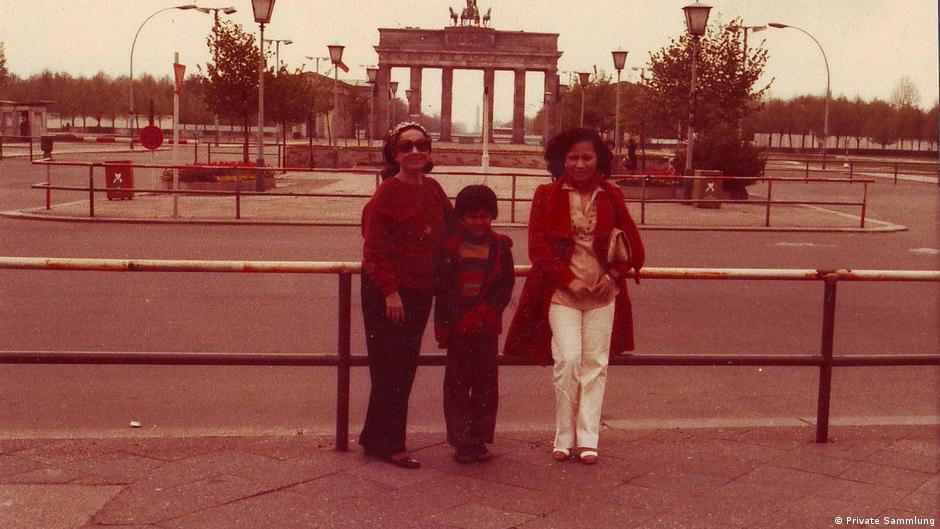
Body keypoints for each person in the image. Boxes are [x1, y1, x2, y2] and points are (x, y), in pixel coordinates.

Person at [504, 127, 645, 465]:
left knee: (595, 366)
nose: (580, 164)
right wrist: (569, 280)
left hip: (603, 293)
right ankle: (563, 436)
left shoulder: (611, 194)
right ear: (561, 160)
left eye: (587, 157)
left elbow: (634, 244)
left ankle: (588, 438)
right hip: (562, 295)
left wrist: (613, 275)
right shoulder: (546, 195)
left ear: (599, 159)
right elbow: (538, 248)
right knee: (567, 361)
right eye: (573, 157)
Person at [360, 122, 452, 469]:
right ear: (394, 154)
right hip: (389, 294)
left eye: (421, 145)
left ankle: (373, 436)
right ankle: (392, 444)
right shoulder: (387, 192)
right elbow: (373, 250)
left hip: (420, 291)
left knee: (401, 367)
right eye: (406, 146)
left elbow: (451, 230)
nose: (415, 152)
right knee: (391, 370)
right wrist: (390, 292)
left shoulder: (433, 189)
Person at [434, 185, 515, 464]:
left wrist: (482, 312)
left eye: (484, 216)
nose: (478, 222)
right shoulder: (448, 247)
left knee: (485, 383)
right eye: (472, 216)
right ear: (461, 217)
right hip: (458, 326)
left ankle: (479, 438)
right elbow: (443, 287)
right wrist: (459, 316)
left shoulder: (501, 246)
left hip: (485, 325)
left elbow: (505, 286)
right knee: (457, 383)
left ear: (492, 216)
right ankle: (461, 439)